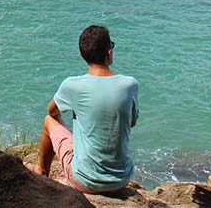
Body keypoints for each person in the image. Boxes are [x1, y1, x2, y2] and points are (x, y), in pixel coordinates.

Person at [35, 25, 138, 194]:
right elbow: (131, 122)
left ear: (81, 54)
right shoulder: (130, 84)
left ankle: (41, 173)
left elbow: (52, 110)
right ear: (109, 53)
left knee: (49, 121)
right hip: (121, 179)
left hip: (85, 181)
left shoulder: (72, 85)